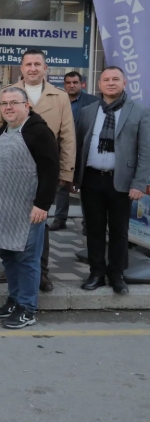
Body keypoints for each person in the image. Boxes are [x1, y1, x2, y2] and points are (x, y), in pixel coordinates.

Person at [0, 48, 75, 292]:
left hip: (45, 170)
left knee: (39, 221)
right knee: (11, 221)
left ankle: (41, 272)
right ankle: (12, 269)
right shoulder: (8, 94)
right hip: (13, 172)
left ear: (45, 68)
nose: (33, 68)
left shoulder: (59, 96)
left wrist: (65, 173)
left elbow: (68, 136)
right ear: (22, 67)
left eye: (38, 64)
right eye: (28, 64)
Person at [0, 87, 59, 329]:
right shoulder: (2, 131)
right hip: (3, 207)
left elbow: (50, 171)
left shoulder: (39, 132)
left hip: (28, 209)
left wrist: (42, 205)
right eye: (4, 103)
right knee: (8, 255)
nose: (8, 107)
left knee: (27, 259)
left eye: (14, 102)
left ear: (27, 106)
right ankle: (15, 300)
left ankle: (28, 308)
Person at [74, 67, 150, 295]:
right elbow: (79, 147)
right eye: (106, 79)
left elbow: (145, 152)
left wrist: (139, 184)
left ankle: (117, 274)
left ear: (124, 83)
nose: (111, 83)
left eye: (115, 79)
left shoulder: (139, 111)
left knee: (119, 231)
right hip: (92, 179)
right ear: (99, 84)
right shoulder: (88, 112)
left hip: (122, 182)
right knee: (94, 229)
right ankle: (96, 272)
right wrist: (75, 178)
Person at [50, 71, 98, 232]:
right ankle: (59, 218)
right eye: (68, 82)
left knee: (86, 187)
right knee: (62, 184)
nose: (72, 85)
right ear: (64, 85)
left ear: (81, 84)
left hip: (85, 150)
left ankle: (88, 222)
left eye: (75, 82)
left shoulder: (93, 101)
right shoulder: (58, 101)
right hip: (63, 149)